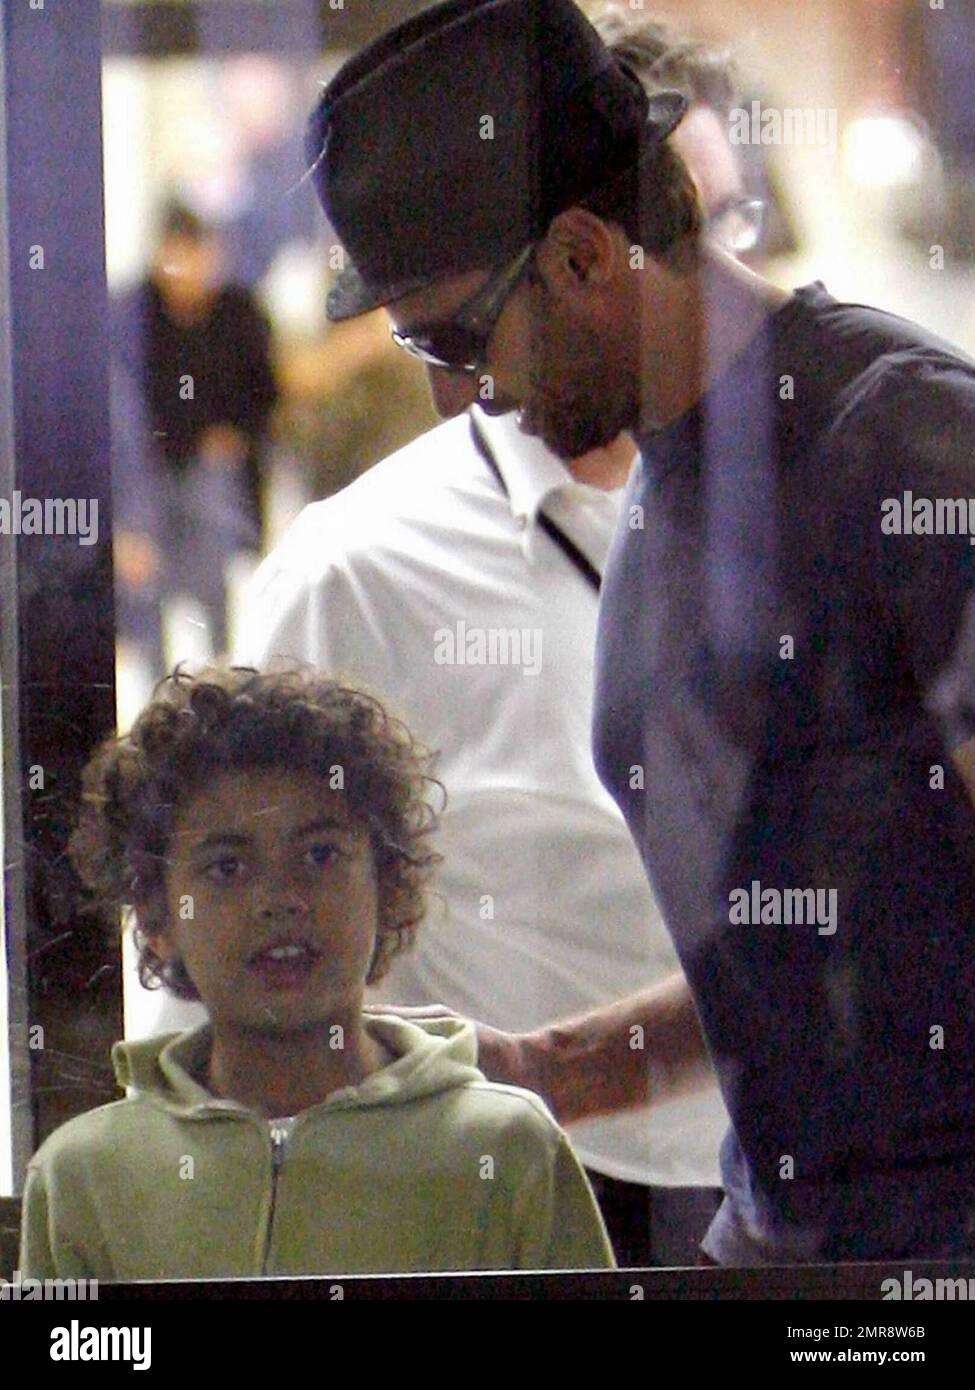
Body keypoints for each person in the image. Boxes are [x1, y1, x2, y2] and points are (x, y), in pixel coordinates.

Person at [302, 0, 975, 1267]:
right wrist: (534, 1072)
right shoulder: (668, 482)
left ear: (580, 255)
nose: (456, 396)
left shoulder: (902, 441)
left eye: (448, 337)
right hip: (784, 1243)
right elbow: (813, 941)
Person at [234, 13, 755, 1269]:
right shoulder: (356, 568)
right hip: (533, 1205)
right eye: (426, 342)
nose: (450, 387)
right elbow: (225, 946)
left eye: (725, 227)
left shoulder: (822, 491)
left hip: (813, 1183)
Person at [19, 666, 614, 1279]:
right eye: (227, 867)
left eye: (320, 855)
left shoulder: (508, 1151)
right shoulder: (83, 1177)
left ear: (388, 886)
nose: (281, 899)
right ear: (155, 915)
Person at [112, 202, 278, 663]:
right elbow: (124, 414)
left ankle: (223, 670)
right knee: (148, 594)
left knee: (212, 585)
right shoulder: (132, 314)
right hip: (150, 475)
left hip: (214, 476)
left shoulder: (239, 313)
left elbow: (264, 397)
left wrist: (234, 438)